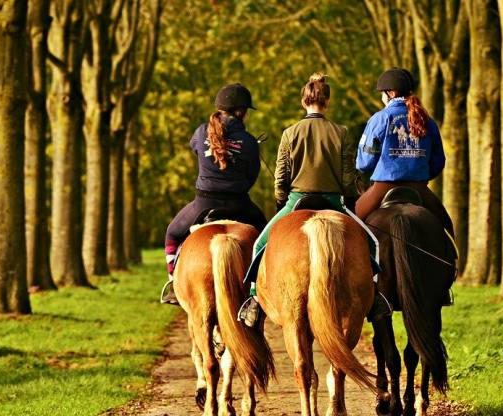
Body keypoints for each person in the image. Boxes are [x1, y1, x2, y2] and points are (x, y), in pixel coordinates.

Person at [237, 73, 390, 326]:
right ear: (327, 102)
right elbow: (348, 175)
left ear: (303, 102)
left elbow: (281, 176)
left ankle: (254, 300)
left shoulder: (290, 133)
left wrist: (280, 201)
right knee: (372, 243)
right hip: (333, 201)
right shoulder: (341, 132)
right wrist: (350, 200)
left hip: (297, 200)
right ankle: (373, 299)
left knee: (259, 246)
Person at [160, 83, 267, 305]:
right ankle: (261, 288)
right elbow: (252, 176)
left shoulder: (201, 132)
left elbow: (195, 148)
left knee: (172, 233)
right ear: (241, 112)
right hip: (240, 204)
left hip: (203, 203)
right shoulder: (248, 142)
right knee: (268, 237)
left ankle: (173, 283)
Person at [355, 67, 454, 236]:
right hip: (419, 188)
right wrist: (419, 173)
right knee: (447, 229)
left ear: (391, 93)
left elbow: (364, 162)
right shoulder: (427, 121)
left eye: (382, 93)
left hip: (383, 188)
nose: (381, 97)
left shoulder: (380, 118)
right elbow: (438, 161)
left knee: (351, 225)